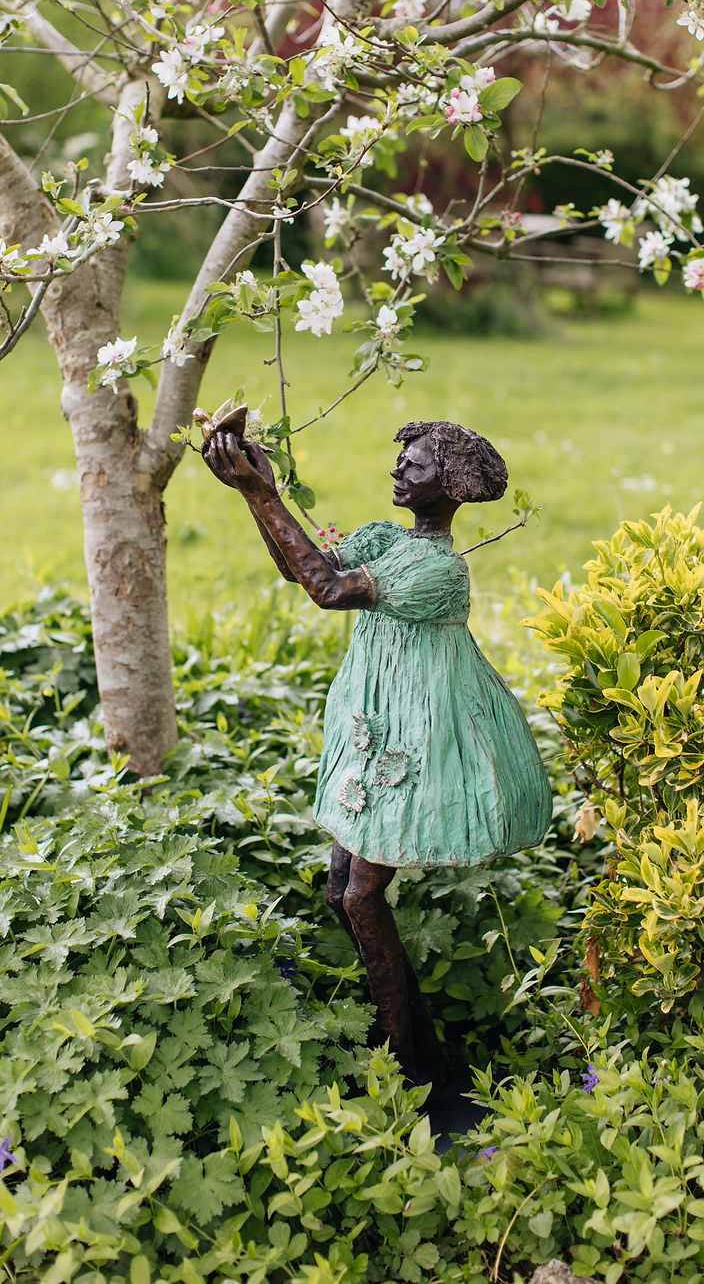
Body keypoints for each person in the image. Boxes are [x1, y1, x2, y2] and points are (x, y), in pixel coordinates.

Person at [203, 420, 552, 1084]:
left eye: (413, 464)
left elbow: (328, 590)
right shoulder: (388, 539)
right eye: (400, 458)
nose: (397, 470)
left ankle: (409, 1073)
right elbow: (302, 568)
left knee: (362, 895)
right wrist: (259, 494)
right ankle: (413, 1041)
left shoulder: (436, 569)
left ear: (446, 485)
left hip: (418, 745)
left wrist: (258, 491)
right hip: (378, 728)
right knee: (345, 892)